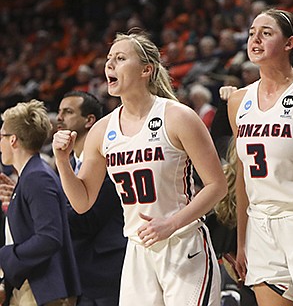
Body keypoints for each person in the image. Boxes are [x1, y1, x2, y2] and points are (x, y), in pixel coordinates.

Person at [52, 30, 227, 306]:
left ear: (147, 69)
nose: (109, 64)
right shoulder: (102, 130)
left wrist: (171, 223)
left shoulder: (177, 116)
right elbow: (82, 201)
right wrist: (62, 162)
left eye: (120, 58)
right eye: (109, 58)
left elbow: (217, 186)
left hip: (182, 244)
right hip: (137, 250)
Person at [227, 9, 293, 305]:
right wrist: (241, 241)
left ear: (289, 43)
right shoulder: (238, 101)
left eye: (266, 33)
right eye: (252, 32)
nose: (255, 39)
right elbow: (244, 176)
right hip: (261, 226)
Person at [0, 99, 80, 305]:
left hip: (43, 288)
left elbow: (49, 237)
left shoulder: (37, 177)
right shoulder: (31, 175)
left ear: (13, 140)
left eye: (1, 135)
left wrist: (6, 256)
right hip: (35, 285)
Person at [57, 90, 127, 306]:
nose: (59, 117)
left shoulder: (105, 162)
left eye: (68, 112)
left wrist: (42, 211)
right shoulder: (65, 163)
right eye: (59, 112)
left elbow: (87, 219)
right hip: (81, 275)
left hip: (106, 273)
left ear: (90, 120)